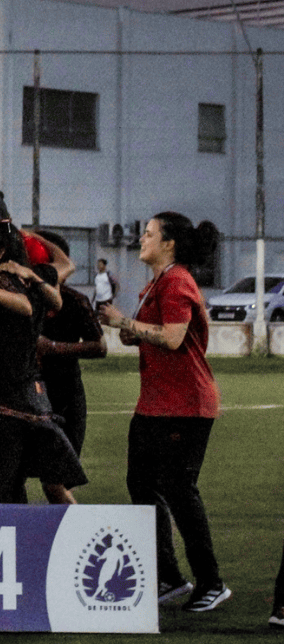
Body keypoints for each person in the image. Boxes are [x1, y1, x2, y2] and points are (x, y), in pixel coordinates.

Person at [97, 212, 229, 612]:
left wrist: (126, 323)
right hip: (155, 404)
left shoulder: (176, 281)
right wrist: (130, 329)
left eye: (149, 233)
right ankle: (170, 577)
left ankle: (211, 582)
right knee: (141, 484)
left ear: (169, 243)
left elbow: (173, 339)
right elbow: (156, 335)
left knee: (178, 489)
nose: (141, 238)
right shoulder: (157, 282)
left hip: (185, 404)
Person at [0, 220, 84, 504]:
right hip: (31, 397)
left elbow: (23, 306)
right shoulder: (33, 274)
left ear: (0, 250)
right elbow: (63, 273)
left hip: (8, 403)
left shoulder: (2, 277)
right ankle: (80, 537)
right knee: (47, 486)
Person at [33, 258, 106, 505]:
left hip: (65, 394)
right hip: (30, 395)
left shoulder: (75, 301)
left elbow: (99, 347)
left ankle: (75, 533)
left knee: (56, 481)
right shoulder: (23, 299)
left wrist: (52, 347)